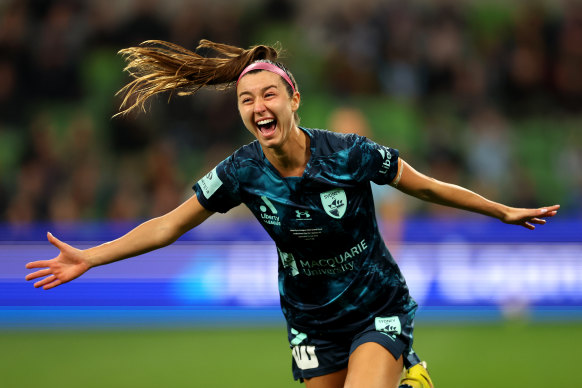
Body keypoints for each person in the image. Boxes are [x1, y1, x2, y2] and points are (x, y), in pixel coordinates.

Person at [25, 39, 560, 388]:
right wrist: (91, 257)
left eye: (269, 95)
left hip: (377, 306)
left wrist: (500, 211)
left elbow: (427, 187)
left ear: (293, 98)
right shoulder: (239, 171)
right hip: (310, 321)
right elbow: (168, 224)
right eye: (246, 100)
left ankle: (403, 361)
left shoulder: (349, 152)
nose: (259, 107)